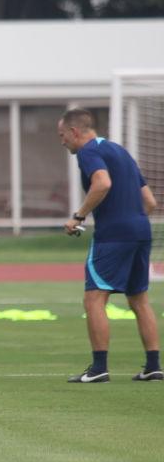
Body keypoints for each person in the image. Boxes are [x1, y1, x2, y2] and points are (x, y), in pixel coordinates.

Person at [59, 108, 161, 383]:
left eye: (62, 135)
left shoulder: (88, 151)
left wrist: (78, 216)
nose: (62, 141)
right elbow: (149, 202)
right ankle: (153, 366)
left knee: (94, 297)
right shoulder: (120, 151)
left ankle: (99, 368)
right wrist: (131, 221)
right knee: (139, 299)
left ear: (74, 132)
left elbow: (102, 182)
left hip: (114, 235)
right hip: (141, 230)